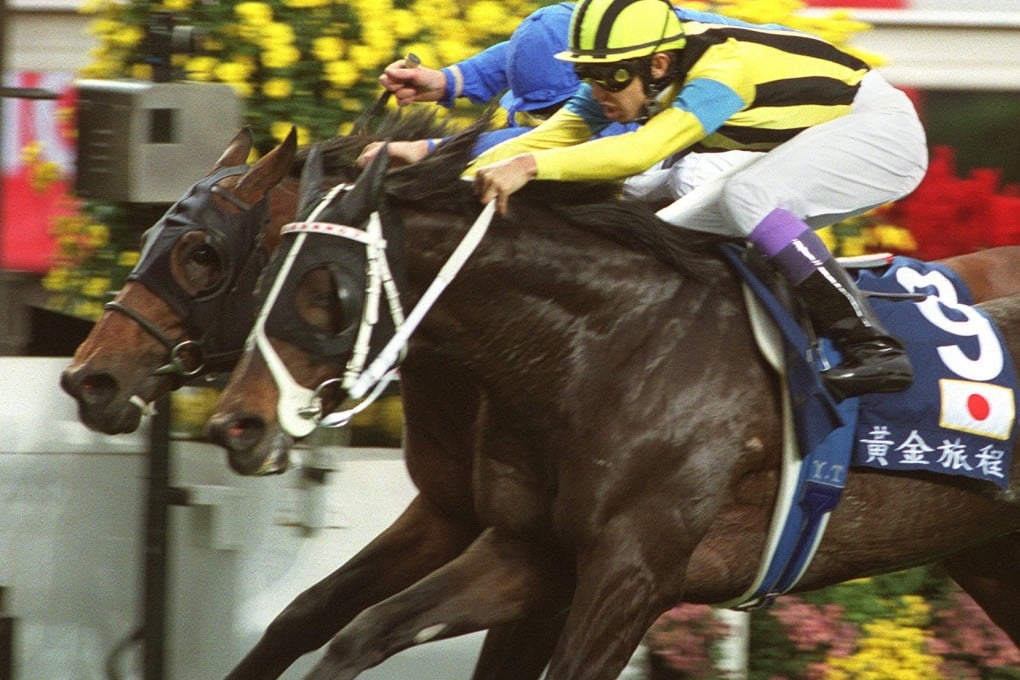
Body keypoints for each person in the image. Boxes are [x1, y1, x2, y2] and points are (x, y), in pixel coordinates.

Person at [468, 0, 928, 400]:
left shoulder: (721, 72)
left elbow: (640, 152)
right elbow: (556, 135)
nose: (595, 90)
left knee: (748, 195)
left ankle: (875, 350)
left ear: (660, 65)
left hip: (884, 135)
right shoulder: (631, 67)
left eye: (607, 76)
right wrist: (459, 181)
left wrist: (527, 169)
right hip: (818, 137)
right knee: (663, 234)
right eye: (585, 74)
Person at [364, 2, 759, 201]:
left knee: (686, 181)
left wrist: (432, 150)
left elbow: (590, 147)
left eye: (548, 113)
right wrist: (451, 80)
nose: (540, 124)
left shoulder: (626, 75)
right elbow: (543, 38)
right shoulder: (607, 30)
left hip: (782, 128)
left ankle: (811, 318)